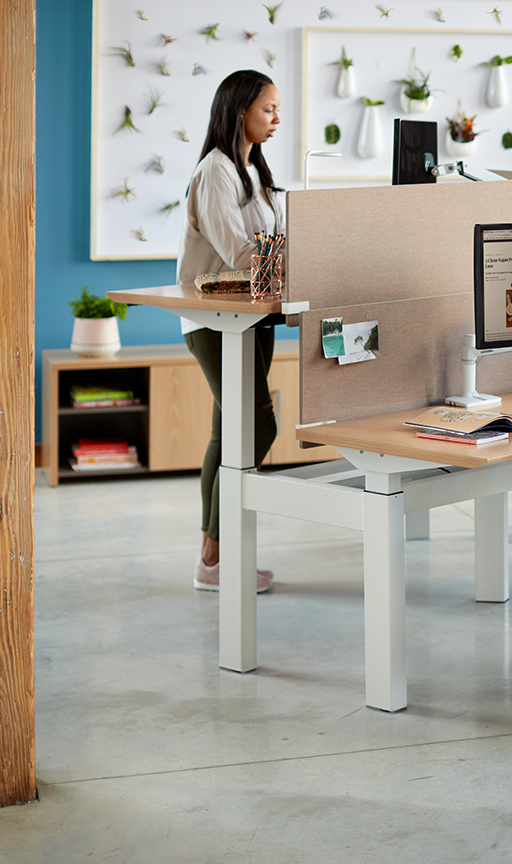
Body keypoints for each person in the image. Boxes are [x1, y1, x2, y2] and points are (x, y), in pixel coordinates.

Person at [177, 70, 284, 592]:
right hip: (216, 321)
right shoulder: (215, 172)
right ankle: (218, 559)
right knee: (256, 426)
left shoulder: (254, 170)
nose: (276, 119)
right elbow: (242, 254)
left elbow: (273, 243)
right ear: (240, 110)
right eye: (268, 109)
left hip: (254, 316)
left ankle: (211, 562)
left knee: (229, 433)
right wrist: (285, 255)